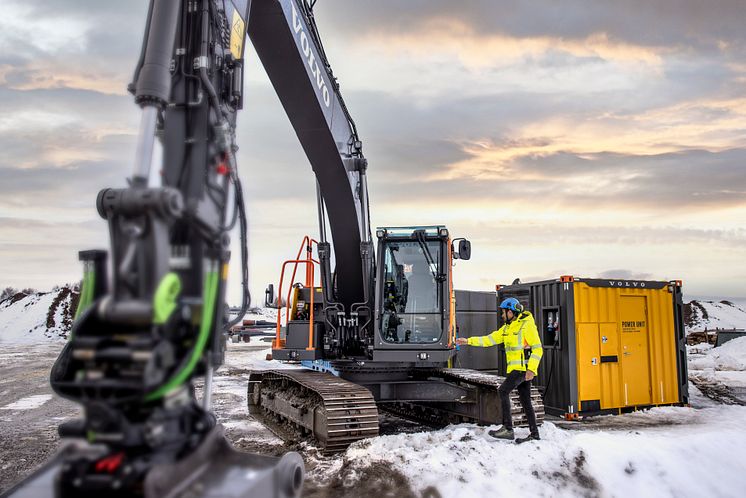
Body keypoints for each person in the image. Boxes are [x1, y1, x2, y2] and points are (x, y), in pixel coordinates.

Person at [455, 297, 543, 443]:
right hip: (516, 369)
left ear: (511, 312)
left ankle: (508, 428)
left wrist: (531, 370)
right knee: (525, 400)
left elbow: (538, 349)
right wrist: (468, 341)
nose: (502, 315)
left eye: (504, 312)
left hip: (523, 369)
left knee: (503, 391)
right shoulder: (507, 328)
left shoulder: (527, 325)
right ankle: (535, 434)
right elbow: (489, 339)